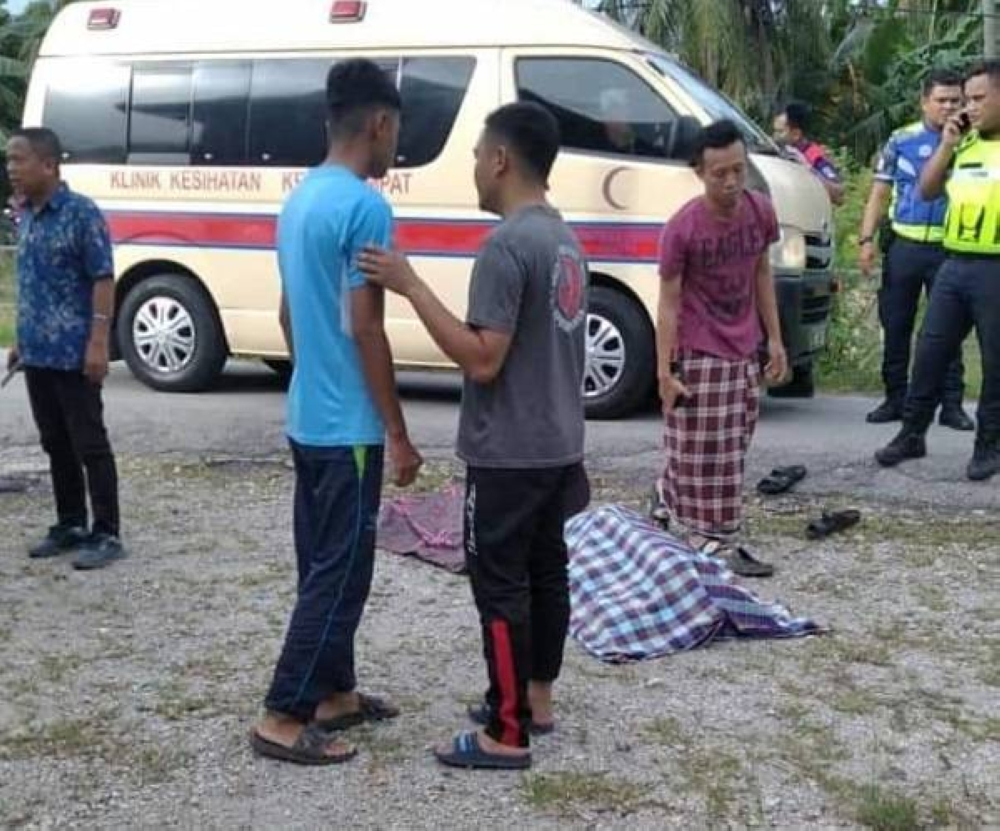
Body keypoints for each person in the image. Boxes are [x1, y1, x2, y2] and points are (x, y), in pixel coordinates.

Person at [360, 102, 589, 770]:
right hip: (557, 445)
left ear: (499, 160)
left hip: (509, 451)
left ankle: (506, 729)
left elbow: (482, 356)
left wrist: (410, 284)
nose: (472, 168)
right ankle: (536, 698)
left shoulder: (507, 246)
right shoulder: (564, 240)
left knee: (499, 584)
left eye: (474, 155)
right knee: (546, 571)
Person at [251, 59, 423, 766]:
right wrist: (398, 431)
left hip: (306, 417)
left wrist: (314, 378)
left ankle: (333, 692)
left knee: (322, 561)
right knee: (341, 569)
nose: (394, 146)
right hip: (347, 428)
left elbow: (292, 312)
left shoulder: (299, 200)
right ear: (379, 123)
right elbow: (368, 328)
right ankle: (283, 715)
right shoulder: (364, 205)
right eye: (396, 132)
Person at [652, 119, 788, 578]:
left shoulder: (761, 212)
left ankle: (668, 499)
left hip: (743, 341)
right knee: (699, 446)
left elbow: (761, 273)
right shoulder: (682, 229)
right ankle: (708, 532)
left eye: (738, 170)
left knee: (734, 439)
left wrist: (776, 339)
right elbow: (668, 302)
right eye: (719, 174)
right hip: (698, 344)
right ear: (698, 172)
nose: (731, 182)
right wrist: (664, 371)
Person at [5, 127, 125, 571]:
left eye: (19, 160)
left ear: (49, 164)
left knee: (89, 441)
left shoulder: (81, 214)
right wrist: (22, 339)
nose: (11, 169)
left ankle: (107, 531)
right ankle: (70, 522)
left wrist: (99, 342)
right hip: (38, 353)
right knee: (55, 442)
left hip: (75, 354)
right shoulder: (27, 214)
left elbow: (102, 278)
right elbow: (36, 284)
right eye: (9, 161)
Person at [876, 60, 1000, 481]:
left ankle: (988, 445)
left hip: (995, 268)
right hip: (955, 264)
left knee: (994, 362)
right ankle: (912, 433)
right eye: (967, 99)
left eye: (979, 98)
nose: (970, 107)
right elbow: (928, 189)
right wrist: (947, 144)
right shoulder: (963, 145)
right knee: (929, 352)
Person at [859, 69, 974, 431]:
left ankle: (952, 404)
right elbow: (879, 192)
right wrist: (865, 240)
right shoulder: (901, 139)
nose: (949, 107)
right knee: (895, 324)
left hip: (950, 248)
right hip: (904, 247)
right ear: (924, 102)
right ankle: (895, 398)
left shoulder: (974, 141)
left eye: (956, 100)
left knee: (948, 329)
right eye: (942, 100)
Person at [773, 101, 845, 205]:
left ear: (796, 134)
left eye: (780, 132)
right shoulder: (777, 151)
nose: (774, 136)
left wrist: (808, 170)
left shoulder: (814, 156)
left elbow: (839, 195)